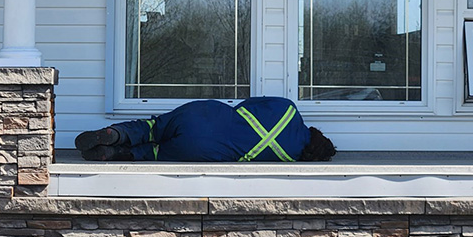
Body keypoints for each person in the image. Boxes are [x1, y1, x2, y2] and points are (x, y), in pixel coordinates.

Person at [75, 97, 336, 162]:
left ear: (316, 131)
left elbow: (248, 104)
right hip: (207, 149)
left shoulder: (289, 109)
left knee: (151, 128)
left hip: (207, 114)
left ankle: (116, 134)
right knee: (153, 153)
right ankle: (115, 154)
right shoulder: (289, 155)